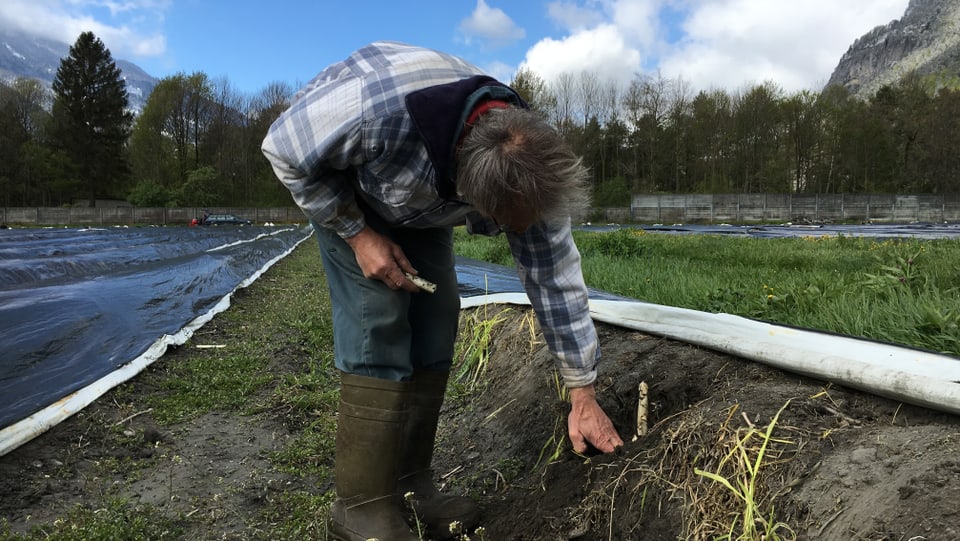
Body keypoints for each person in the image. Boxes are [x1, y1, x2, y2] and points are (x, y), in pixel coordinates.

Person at [262, 41, 624, 541]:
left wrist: (582, 390)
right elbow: (283, 149)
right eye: (503, 225)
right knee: (381, 320)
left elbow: (554, 276)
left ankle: (413, 486)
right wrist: (358, 234)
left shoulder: (535, 165)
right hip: (352, 189)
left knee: (437, 318)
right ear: (472, 193)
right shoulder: (372, 113)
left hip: (418, 197)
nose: (513, 234)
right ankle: (361, 507)